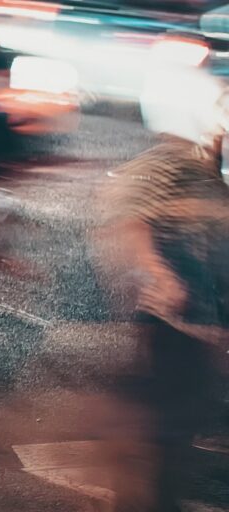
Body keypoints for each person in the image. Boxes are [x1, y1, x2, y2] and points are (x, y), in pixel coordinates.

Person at [98, 66, 229, 511]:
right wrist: (159, 274)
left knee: (181, 417)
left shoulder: (201, 165)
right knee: (169, 419)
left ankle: (152, 496)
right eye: (214, 107)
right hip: (172, 314)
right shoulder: (164, 163)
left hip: (199, 313)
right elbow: (128, 219)